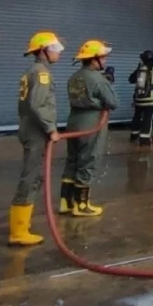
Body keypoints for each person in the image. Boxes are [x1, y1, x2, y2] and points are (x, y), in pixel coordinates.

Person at [9, 31, 63, 246]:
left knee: (35, 176)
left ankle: (22, 225)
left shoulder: (33, 71)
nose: (58, 53)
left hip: (30, 128)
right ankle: (18, 231)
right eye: (54, 49)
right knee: (30, 177)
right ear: (42, 51)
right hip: (36, 131)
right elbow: (37, 104)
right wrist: (51, 128)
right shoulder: (41, 73)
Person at [61, 40, 119, 217]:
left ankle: (66, 202)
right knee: (88, 160)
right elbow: (113, 103)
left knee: (72, 160)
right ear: (94, 59)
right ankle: (81, 205)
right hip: (91, 123)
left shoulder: (74, 77)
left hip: (73, 121)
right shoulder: (98, 79)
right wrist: (108, 85)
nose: (105, 60)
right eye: (103, 57)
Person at [128, 50, 153, 146]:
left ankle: (134, 136)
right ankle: (144, 139)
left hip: (139, 99)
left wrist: (137, 72)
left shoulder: (139, 70)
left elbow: (131, 80)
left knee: (137, 117)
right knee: (147, 118)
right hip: (150, 100)